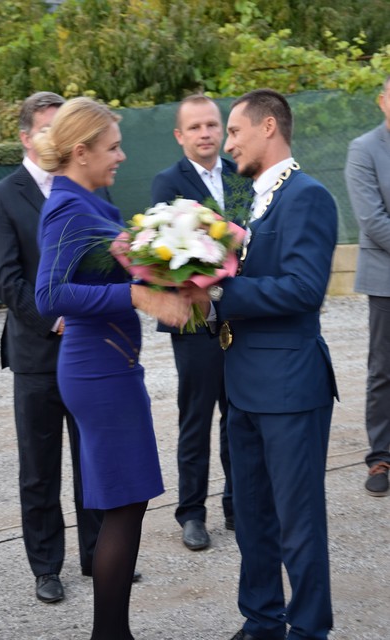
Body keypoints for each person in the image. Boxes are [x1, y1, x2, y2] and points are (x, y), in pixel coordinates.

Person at [33, 96, 191, 640]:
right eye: (113, 147)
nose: (121, 156)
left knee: (128, 501)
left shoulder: (91, 203)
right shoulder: (68, 208)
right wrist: (137, 296)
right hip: (97, 371)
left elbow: (118, 272)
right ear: (81, 152)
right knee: (125, 504)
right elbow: (49, 295)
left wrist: (182, 272)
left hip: (111, 368)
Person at [191, 89, 339, 640]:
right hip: (243, 384)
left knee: (298, 523)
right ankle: (261, 620)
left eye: (234, 131)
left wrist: (219, 292)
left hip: (291, 387)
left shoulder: (308, 196)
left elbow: (304, 289)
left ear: (269, 126)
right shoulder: (247, 202)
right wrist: (198, 298)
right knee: (253, 517)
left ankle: (308, 629)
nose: (226, 143)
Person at [0, 91, 106, 604]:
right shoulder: (0, 197)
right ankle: (46, 567)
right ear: (26, 137)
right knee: (40, 467)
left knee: (92, 460)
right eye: (50, 128)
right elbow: (4, 279)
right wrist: (56, 319)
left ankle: (99, 555)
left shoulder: (86, 186)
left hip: (89, 352)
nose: (61, 137)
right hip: (37, 355)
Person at [151, 94, 250, 551]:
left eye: (212, 124)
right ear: (180, 135)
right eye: (195, 127)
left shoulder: (240, 174)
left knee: (239, 415)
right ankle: (192, 513)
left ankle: (237, 505)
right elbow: (164, 256)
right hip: (193, 320)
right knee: (196, 419)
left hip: (240, 316)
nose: (206, 133)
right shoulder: (167, 182)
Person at [345, 75, 390, 497]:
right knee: (383, 371)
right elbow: (372, 220)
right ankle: (381, 457)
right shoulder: (364, 149)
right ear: (382, 101)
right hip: (385, 280)